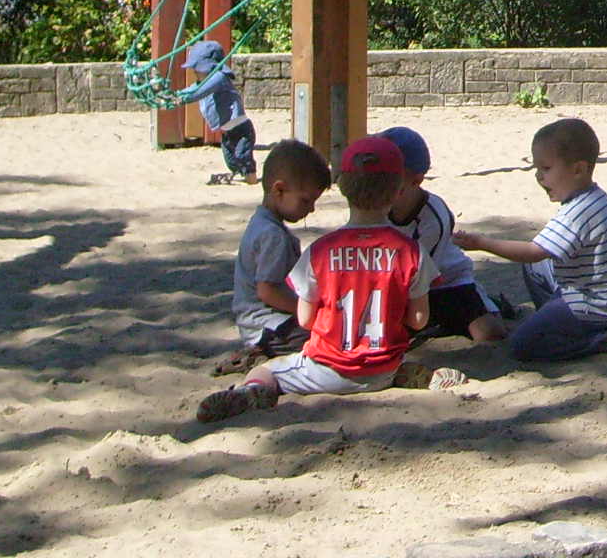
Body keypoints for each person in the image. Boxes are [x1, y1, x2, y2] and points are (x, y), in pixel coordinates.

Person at [197, 136, 466, 422]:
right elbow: (419, 320)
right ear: (397, 191)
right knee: (394, 358)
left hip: (327, 370)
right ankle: (416, 375)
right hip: (382, 369)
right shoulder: (413, 252)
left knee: (266, 372)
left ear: (344, 189)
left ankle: (251, 392)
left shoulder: (320, 251)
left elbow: (305, 319)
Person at [457, 117, 607, 363]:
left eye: (546, 168)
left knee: (521, 346)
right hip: (594, 292)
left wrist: (481, 242)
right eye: (537, 169)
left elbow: (534, 251)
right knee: (535, 269)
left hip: (594, 304)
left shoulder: (579, 211)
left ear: (578, 169)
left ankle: (599, 341)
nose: (539, 177)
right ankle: (558, 323)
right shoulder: (591, 196)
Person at [376, 125, 509, 343]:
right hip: (393, 283)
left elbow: (419, 275)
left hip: (445, 282)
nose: (379, 185)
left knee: (489, 334)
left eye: (389, 178)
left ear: (415, 180)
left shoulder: (433, 217)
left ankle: (491, 306)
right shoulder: (374, 206)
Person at [215, 138, 331, 375]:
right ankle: (259, 356)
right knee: (325, 338)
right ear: (278, 190)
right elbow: (268, 291)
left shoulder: (262, 221)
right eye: (306, 200)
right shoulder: (273, 236)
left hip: (263, 324)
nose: (311, 209)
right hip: (267, 326)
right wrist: (310, 312)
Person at [187, 39, 257, 186]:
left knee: (242, 155)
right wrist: (174, 96)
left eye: (197, 67)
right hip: (227, 132)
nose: (194, 71)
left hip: (241, 129)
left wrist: (181, 99)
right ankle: (242, 175)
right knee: (231, 161)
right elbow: (192, 90)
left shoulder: (219, 78)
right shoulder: (203, 82)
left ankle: (251, 177)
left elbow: (197, 93)